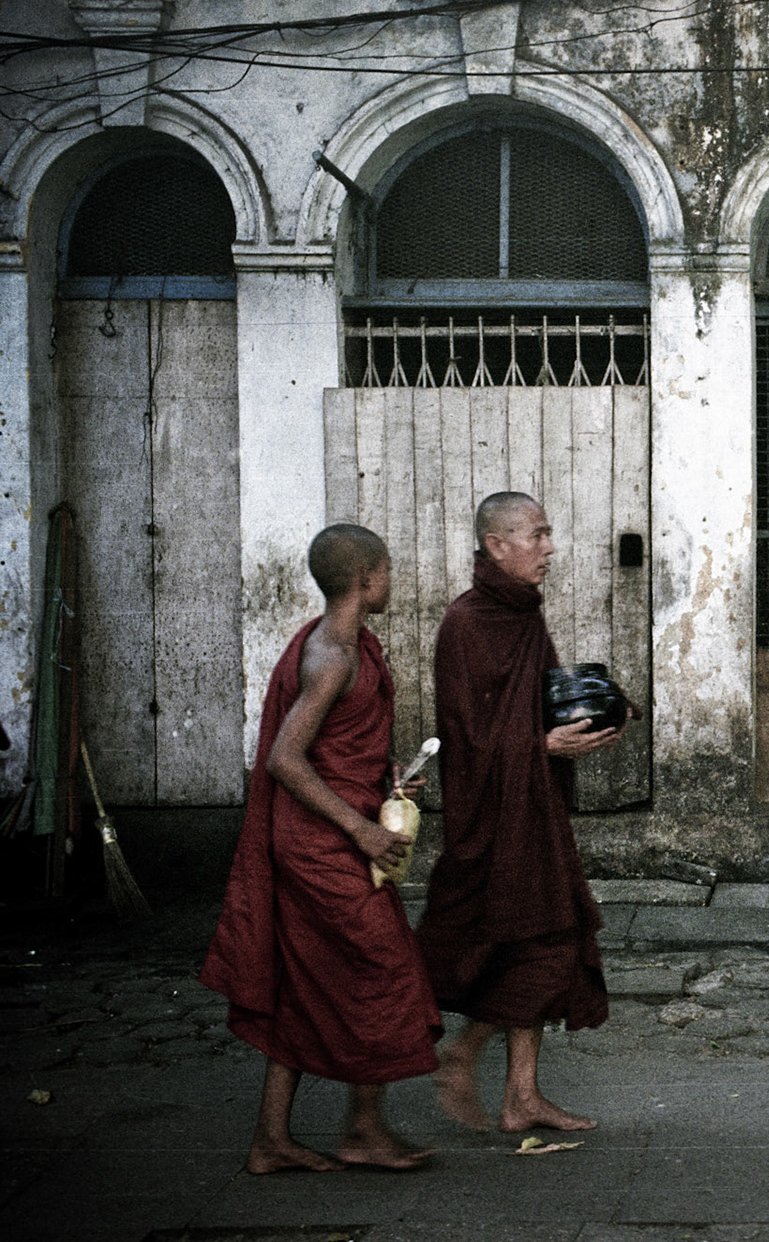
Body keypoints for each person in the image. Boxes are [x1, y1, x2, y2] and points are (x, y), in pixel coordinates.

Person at [201, 524, 440, 1173]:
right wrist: (361, 828)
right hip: (320, 847)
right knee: (384, 971)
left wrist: (385, 777)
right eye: (387, 572)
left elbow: (339, 745)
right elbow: (286, 758)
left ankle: (270, 1140)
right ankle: (362, 1129)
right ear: (366, 580)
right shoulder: (333, 653)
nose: (391, 582)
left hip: (329, 832)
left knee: (304, 982)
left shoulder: (352, 643)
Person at [416, 492, 621, 1133]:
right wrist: (542, 746)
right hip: (493, 819)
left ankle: (521, 1098)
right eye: (536, 535)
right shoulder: (467, 624)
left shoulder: (522, 615)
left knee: (545, 938)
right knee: (538, 944)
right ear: (496, 545)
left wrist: (599, 709)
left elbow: (541, 698)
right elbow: (471, 741)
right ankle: (466, 1052)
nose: (549, 548)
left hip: (534, 811)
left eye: (548, 534)